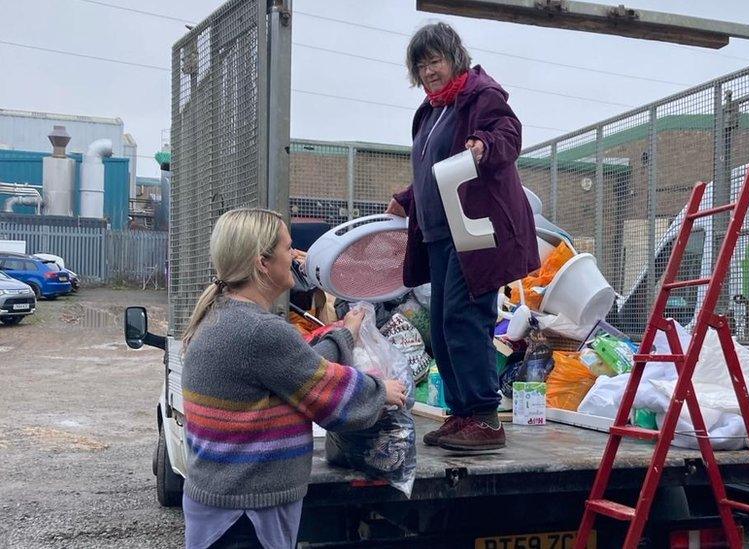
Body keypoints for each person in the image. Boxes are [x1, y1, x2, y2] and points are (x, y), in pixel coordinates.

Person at [179, 208, 406, 548]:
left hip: (226, 504)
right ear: (262, 263)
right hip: (244, 517)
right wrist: (379, 391)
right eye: (288, 248)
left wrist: (345, 336)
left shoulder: (226, 316)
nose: (297, 256)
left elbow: (298, 369)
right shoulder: (258, 330)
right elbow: (323, 390)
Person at [387, 22, 540, 451]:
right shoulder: (430, 111)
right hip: (439, 233)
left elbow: (508, 134)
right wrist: (405, 197)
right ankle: (461, 413)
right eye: (421, 65)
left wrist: (483, 146)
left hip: (475, 231)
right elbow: (434, 172)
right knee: (439, 323)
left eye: (434, 60)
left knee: (464, 316)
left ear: (454, 56)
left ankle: (486, 418)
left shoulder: (480, 95)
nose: (428, 71)